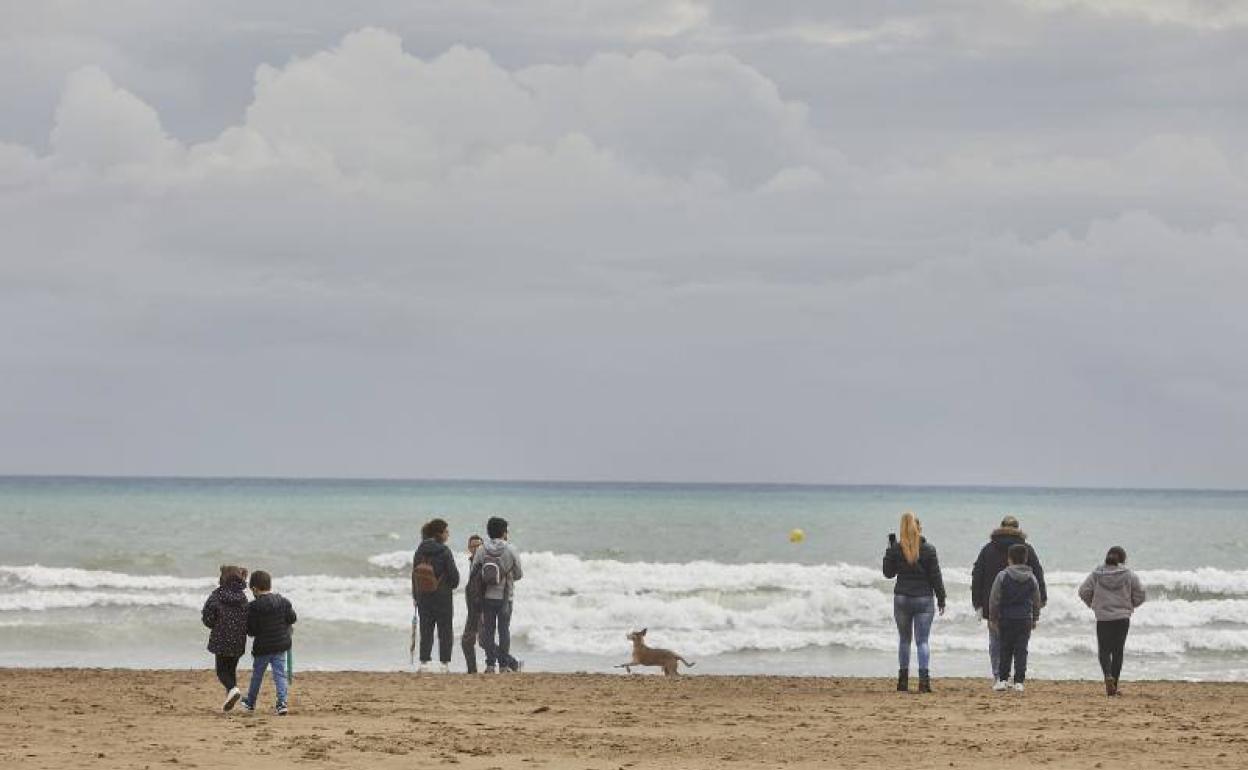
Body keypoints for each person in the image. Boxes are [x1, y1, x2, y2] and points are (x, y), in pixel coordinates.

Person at [971, 515, 1047, 679]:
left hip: (994, 603)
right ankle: (1016, 677)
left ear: (1001, 527)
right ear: (1018, 529)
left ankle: (999, 675)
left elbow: (977, 575)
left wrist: (977, 602)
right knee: (1019, 645)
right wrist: (1041, 600)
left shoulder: (988, 549)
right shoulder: (1027, 549)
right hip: (1021, 607)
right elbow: (1037, 574)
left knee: (996, 642)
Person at [882, 511, 946, 693]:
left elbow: (888, 573)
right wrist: (941, 598)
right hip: (924, 599)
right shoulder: (929, 550)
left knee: (904, 640)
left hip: (902, 597)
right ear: (919, 529)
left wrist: (890, 549)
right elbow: (936, 577)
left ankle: (902, 682)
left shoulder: (896, 549)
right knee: (922, 641)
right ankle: (924, 682)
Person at [1078, 546, 1146, 696]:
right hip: (1122, 617)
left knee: (1104, 650)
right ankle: (1114, 684)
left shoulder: (1096, 574)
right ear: (1122, 560)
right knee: (1118, 651)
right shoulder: (1129, 575)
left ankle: (1107, 675)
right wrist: (1131, 604)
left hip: (1103, 617)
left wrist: (1093, 604)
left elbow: (1083, 591)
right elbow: (1141, 593)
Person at [241, 570, 297, 715]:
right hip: (280, 645)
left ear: (254, 589)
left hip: (263, 648)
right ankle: (282, 703)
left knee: (257, 675)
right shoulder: (283, 601)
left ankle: (250, 702)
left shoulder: (253, 607)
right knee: (280, 674)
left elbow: (251, 631)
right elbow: (292, 618)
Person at [989, 544, 1042, 693]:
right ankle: (1019, 682)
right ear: (1025, 559)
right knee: (1021, 650)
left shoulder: (1003, 576)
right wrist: (1035, 617)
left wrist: (993, 618)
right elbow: (1036, 599)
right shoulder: (1031, 577)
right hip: (1024, 618)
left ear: (1009, 559)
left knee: (1004, 649)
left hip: (1006, 618)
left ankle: (1003, 680)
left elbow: (994, 599)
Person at [473, 516, 523, 673]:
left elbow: (474, 572)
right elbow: (519, 574)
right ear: (504, 532)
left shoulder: (482, 550)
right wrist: (506, 577)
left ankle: (489, 665)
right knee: (504, 631)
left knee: (488, 631)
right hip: (505, 597)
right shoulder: (511, 549)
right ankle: (503, 666)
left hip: (487, 597)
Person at [411, 518, 460, 673]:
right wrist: (448, 586)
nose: (448, 534)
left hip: (423, 596)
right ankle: (444, 664)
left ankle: (424, 663)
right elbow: (454, 578)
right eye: (446, 531)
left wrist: (415, 596)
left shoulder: (419, 551)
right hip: (443, 597)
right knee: (445, 630)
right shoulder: (444, 551)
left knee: (426, 630)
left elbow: (414, 575)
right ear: (439, 533)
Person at [201, 565, 249, 712]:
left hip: (221, 638)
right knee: (231, 669)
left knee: (221, 671)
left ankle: (232, 690)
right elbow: (247, 616)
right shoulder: (242, 597)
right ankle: (230, 695)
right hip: (238, 640)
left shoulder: (217, 595)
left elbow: (207, 616)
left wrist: (214, 625)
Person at [461, 534, 484, 673]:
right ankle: (472, 670)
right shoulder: (472, 561)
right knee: (469, 641)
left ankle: (511, 662)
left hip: (480, 607)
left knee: (479, 641)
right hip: (472, 608)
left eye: (478, 546)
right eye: (473, 546)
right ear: (469, 548)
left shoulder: (483, 563)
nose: (475, 549)